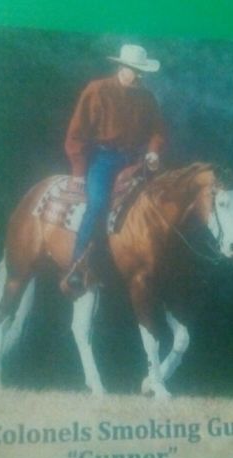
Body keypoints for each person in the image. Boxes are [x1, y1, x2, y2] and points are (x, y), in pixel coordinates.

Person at [62, 44, 166, 293]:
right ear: (122, 67)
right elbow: (76, 133)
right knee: (98, 204)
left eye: (141, 71)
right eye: (135, 70)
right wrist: (79, 171)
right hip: (103, 160)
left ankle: (142, 262)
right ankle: (77, 266)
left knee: (156, 203)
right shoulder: (98, 90)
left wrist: (153, 152)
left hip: (135, 161)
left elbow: (158, 130)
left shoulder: (147, 97)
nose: (139, 76)